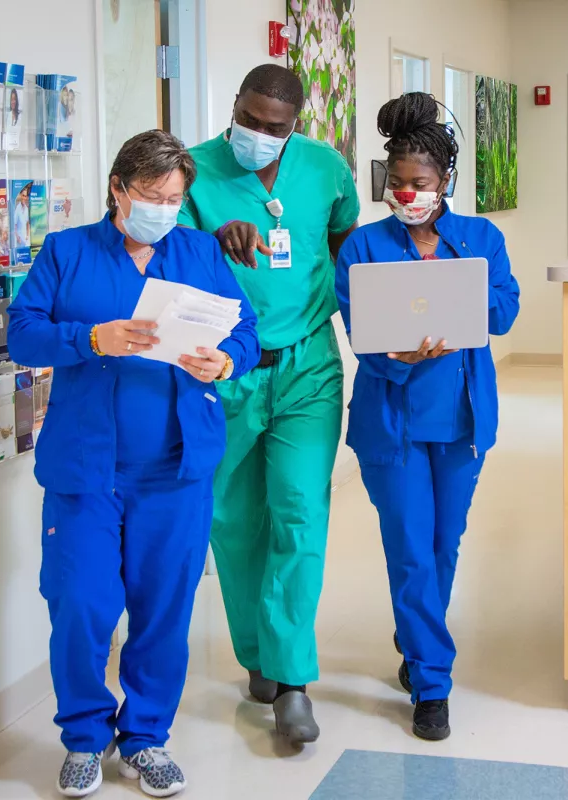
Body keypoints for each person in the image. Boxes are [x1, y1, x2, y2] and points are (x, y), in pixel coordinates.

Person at [7, 130, 261, 798]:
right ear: (119, 189)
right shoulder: (68, 253)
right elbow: (23, 333)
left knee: (163, 610)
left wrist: (227, 358)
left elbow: (246, 330)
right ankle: (86, 737)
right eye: (152, 196)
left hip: (175, 468)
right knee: (82, 604)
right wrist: (90, 337)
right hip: (86, 470)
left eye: (175, 197)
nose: (164, 208)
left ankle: (145, 739)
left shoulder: (199, 252)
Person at [179, 63, 360, 744]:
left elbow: (345, 250)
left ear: (295, 126)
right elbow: (161, 259)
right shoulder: (194, 171)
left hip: (309, 365)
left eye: (274, 127)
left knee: (300, 512)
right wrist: (207, 244)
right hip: (224, 369)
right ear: (234, 107)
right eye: (248, 119)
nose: (258, 134)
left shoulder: (324, 169)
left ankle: (291, 679)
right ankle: (256, 651)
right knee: (234, 518)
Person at [335, 93, 520, 742]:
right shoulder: (363, 246)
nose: (408, 194)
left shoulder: (481, 239)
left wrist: (464, 303)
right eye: (399, 183)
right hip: (393, 424)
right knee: (412, 551)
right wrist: (399, 353)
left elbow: (504, 313)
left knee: (444, 545)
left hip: (461, 422)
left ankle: (416, 639)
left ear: (445, 182)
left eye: (422, 184)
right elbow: (361, 332)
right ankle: (432, 683)